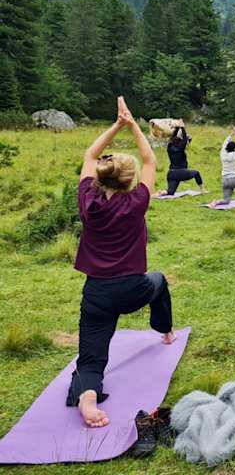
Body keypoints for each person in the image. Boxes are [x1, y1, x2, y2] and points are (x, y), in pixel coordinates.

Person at [70, 97, 175, 428]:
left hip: (97, 294)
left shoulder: (90, 201)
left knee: (90, 359)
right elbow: (150, 159)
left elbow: (89, 155)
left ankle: (87, 398)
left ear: (101, 178)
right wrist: (131, 125)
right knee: (158, 281)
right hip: (133, 288)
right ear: (130, 182)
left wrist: (115, 126)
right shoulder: (137, 201)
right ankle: (166, 331)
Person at [156, 121, 206, 196]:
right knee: (196, 173)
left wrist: (177, 128)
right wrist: (182, 127)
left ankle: (161, 192)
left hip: (171, 173)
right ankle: (203, 190)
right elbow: (185, 140)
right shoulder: (180, 149)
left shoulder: (169, 147)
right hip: (180, 172)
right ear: (180, 143)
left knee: (170, 192)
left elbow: (172, 138)